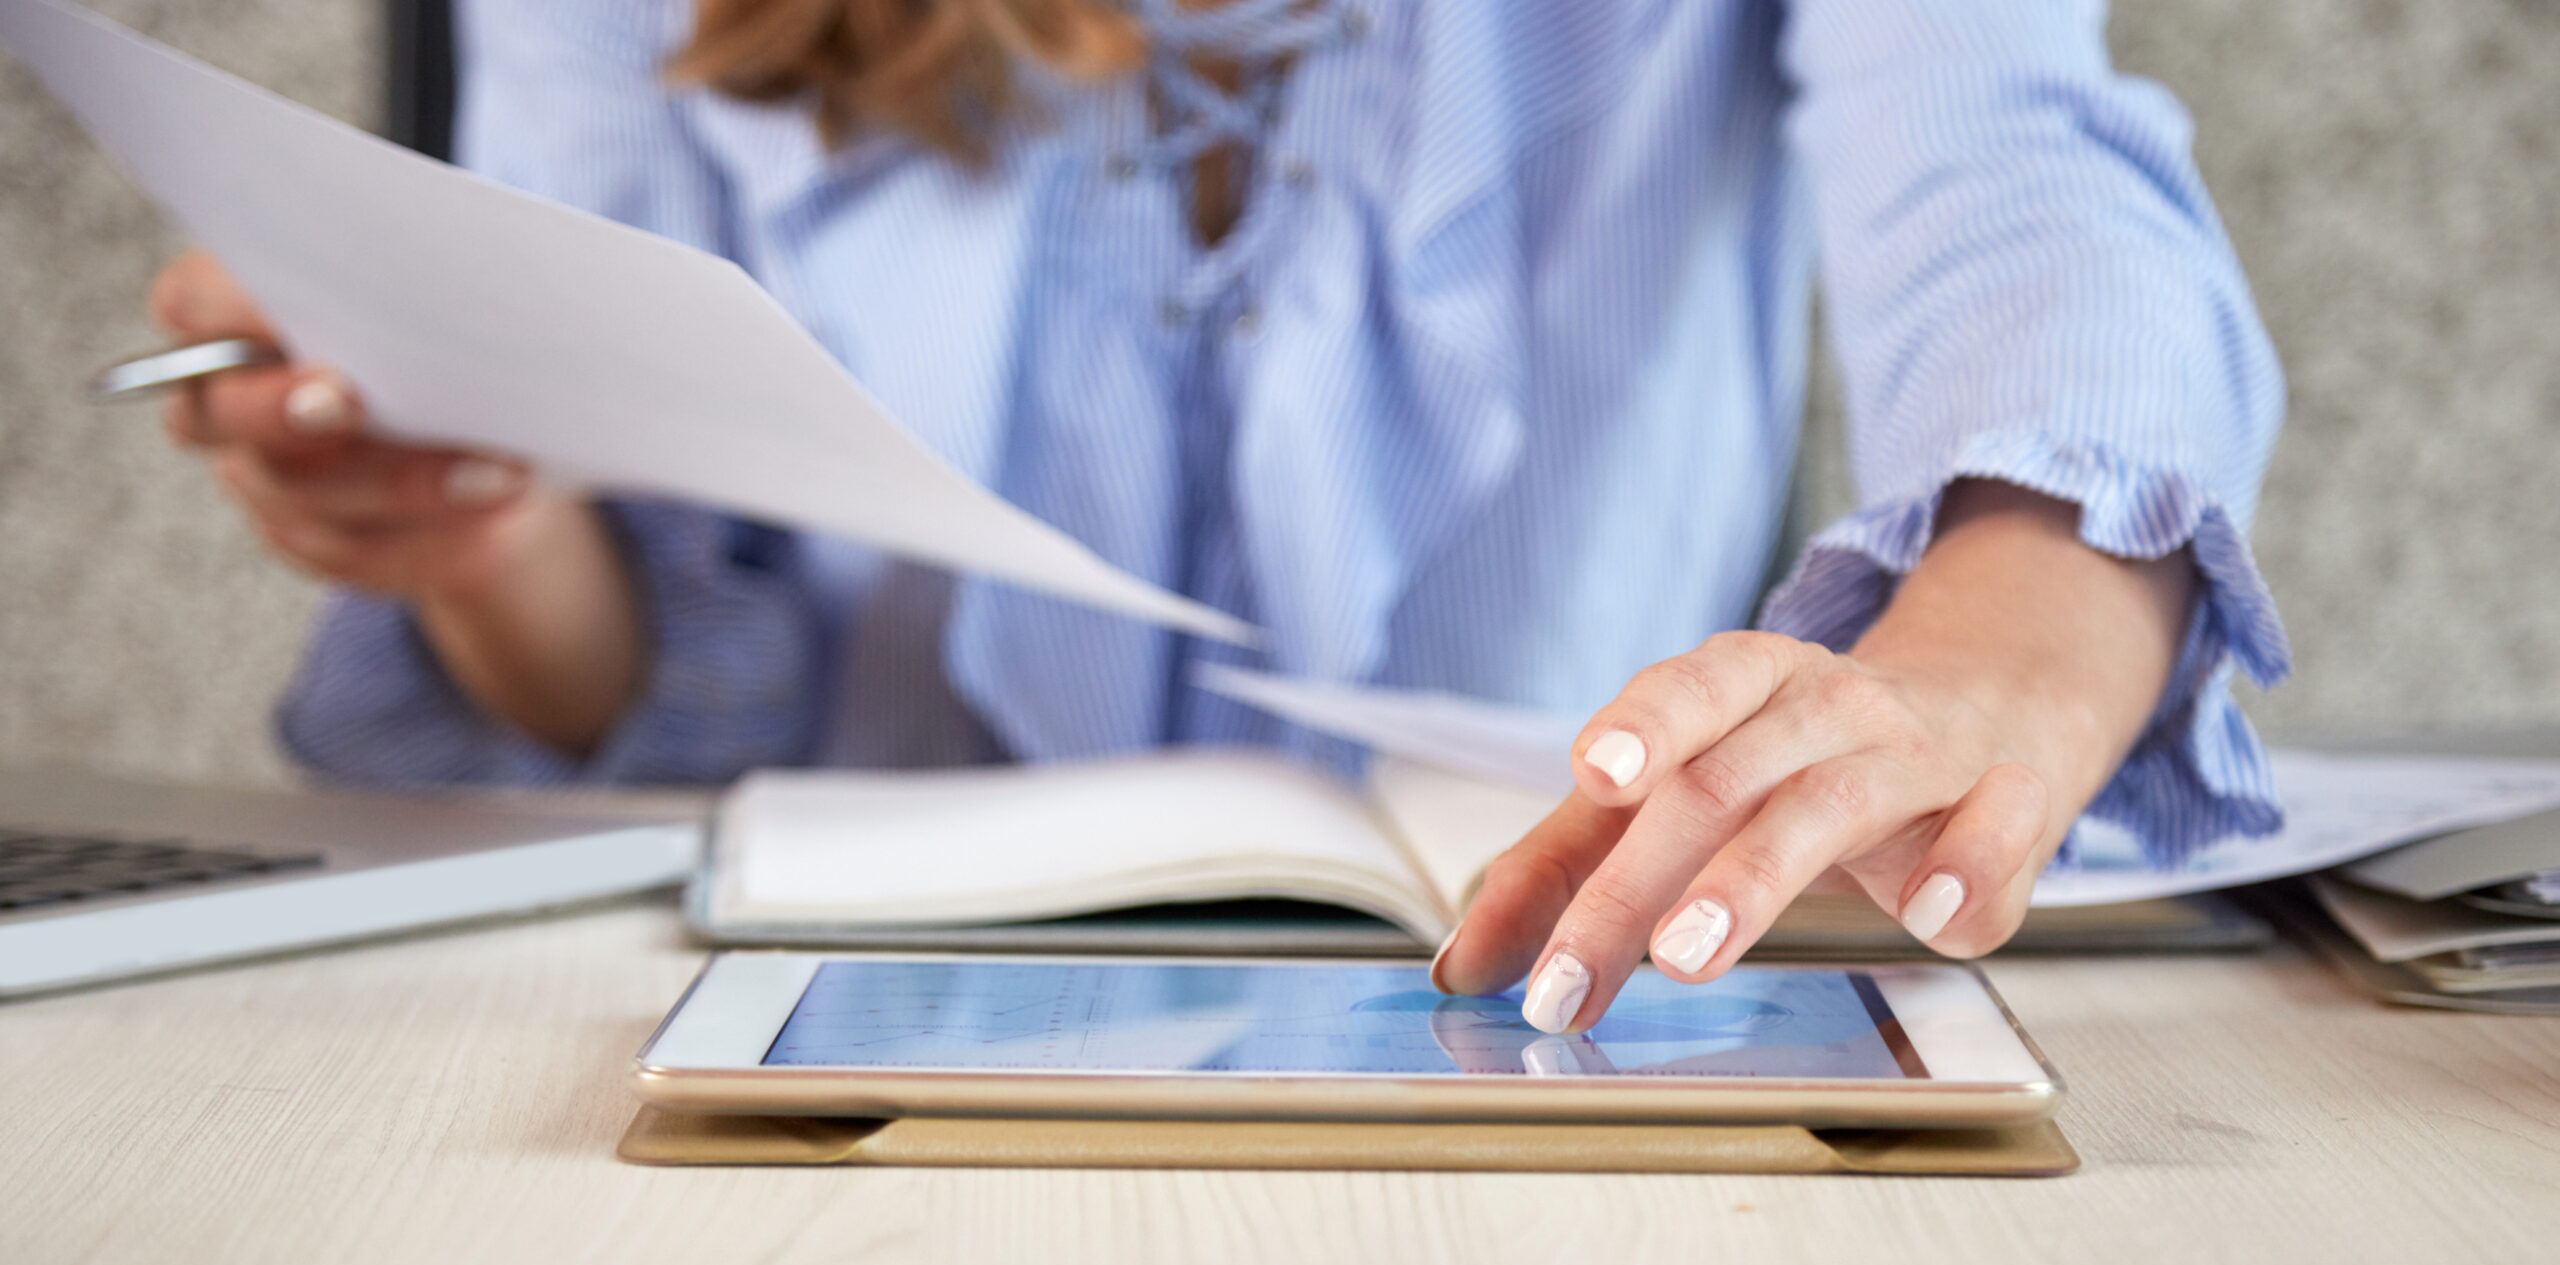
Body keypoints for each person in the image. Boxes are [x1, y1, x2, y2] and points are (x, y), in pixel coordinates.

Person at [148, 0, 2288, 1034]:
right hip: (814, 1016)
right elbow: (637, 622)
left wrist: (1982, 665)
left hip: (1580, 1022)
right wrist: (477, 539)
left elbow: (2023, 185)